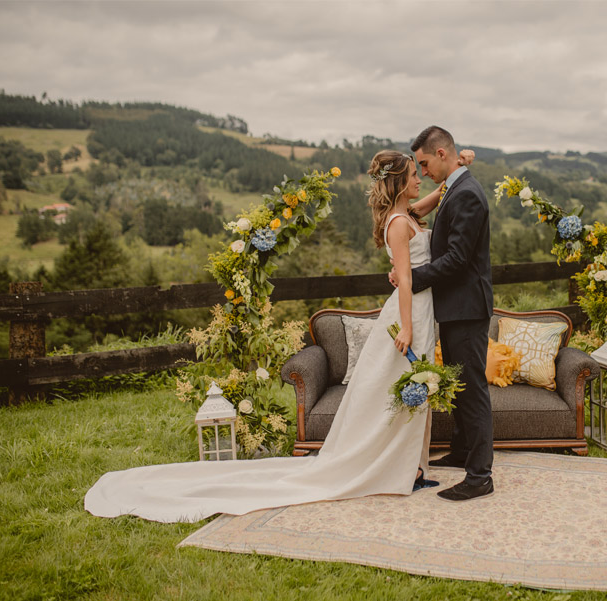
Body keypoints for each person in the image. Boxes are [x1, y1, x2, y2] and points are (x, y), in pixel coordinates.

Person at [85, 149, 472, 523]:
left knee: (405, 389)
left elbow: (432, 202)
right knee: (401, 389)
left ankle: (407, 467)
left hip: (420, 310)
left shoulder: (403, 215)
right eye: (413, 175)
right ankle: (396, 468)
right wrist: (405, 326)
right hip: (410, 313)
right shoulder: (401, 223)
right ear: (399, 183)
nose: (420, 179)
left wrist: (455, 174)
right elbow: (405, 279)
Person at [391, 126, 494, 502]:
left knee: (472, 391)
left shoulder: (467, 194)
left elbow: (456, 259)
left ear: (440, 153)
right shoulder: (455, 187)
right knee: (461, 384)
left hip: (466, 309)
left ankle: (480, 475)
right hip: (455, 307)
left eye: (424, 164)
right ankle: (464, 451)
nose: (423, 172)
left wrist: (409, 278)